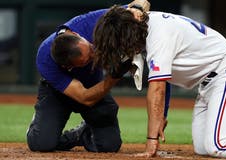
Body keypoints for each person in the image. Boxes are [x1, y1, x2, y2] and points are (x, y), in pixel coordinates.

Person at [92, 6, 226, 158]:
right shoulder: (146, 25)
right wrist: (161, 116)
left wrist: (151, 142)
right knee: (203, 147)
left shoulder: (158, 35)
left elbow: (157, 87)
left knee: (219, 145)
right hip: (209, 82)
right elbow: (162, 81)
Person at [26, 1, 150, 152]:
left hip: (93, 83)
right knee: (41, 144)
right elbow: (84, 97)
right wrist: (115, 76)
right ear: (69, 67)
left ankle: (81, 134)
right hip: (57, 92)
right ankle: (41, 128)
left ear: (77, 35)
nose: (94, 54)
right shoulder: (45, 59)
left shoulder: (92, 23)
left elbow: (142, 2)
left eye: (91, 49)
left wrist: (136, 10)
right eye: (89, 59)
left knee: (109, 146)